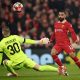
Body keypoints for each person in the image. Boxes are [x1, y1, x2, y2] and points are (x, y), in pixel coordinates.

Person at [50, 10, 80, 76]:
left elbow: (72, 32)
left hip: (66, 43)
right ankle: (62, 67)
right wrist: (51, 40)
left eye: (62, 15)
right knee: (52, 53)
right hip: (58, 44)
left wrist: (75, 39)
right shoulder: (56, 24)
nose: (60, 16)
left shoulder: (67, 24)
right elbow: (54, 33)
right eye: (59, 15)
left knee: (72, 55)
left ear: (65, 16)